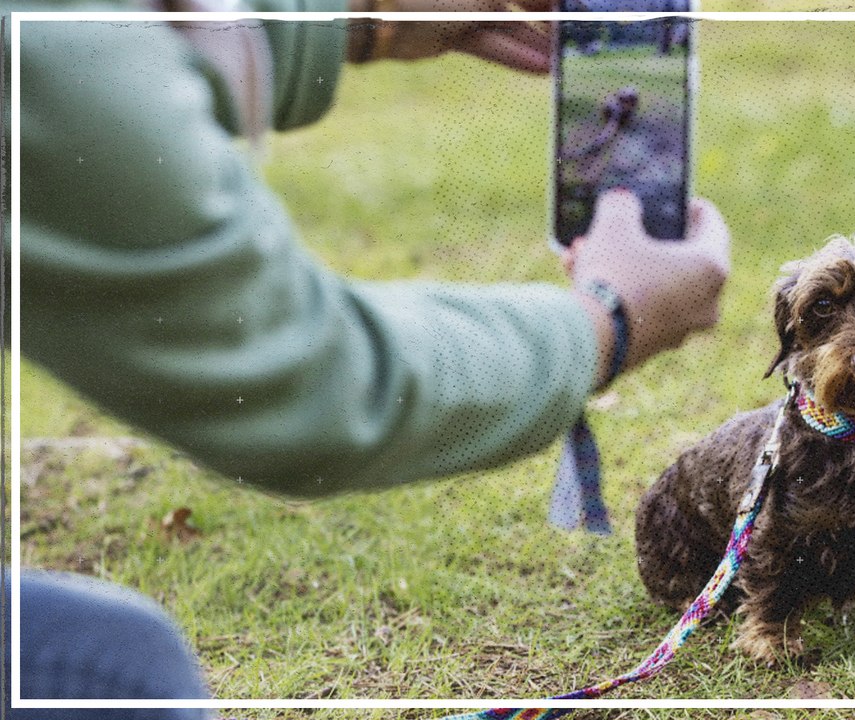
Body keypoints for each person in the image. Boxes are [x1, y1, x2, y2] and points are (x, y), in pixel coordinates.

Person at [4, 1, 731, 716]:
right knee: (119, 673)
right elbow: (310, 383)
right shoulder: (52, 61)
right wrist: (606, 323)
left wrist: (366, 19)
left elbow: (131, 60)